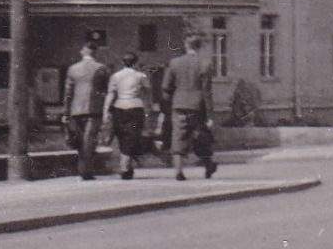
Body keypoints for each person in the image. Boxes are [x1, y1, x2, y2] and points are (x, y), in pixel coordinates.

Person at [163, 31, 217, 181]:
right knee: (200, 137)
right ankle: (208, 164)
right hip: (197, 106)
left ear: (186, 45)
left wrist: (168, 105)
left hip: (179, 104)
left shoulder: (174, 63)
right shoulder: (204, 64)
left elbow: (166, 87)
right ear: (199, 46)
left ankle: (178, 171)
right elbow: (207, 91)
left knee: (178, 136)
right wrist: (210, 116)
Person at [62, 41, 110, 181]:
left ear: (83, 51)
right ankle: (86, 171)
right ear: (95, 52)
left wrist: (66, 112)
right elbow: (106, 90)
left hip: (76, 109)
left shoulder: (72, 69)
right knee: (90, 140)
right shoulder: (102, 68)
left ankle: (83, 169)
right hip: (94, 109)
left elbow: (68, 93)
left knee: (80, 140)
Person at [102, 51, 154, 180]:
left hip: (119, 107)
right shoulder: (140, 76)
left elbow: (110, 94)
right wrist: (150, 106)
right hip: (135, 107)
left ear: (122, 62)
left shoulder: (115, 76)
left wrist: (105, 111)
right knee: (132, 137)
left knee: (122, 136)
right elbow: (148, 91)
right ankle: (125, 166)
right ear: (135, 63)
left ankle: (126, 165)